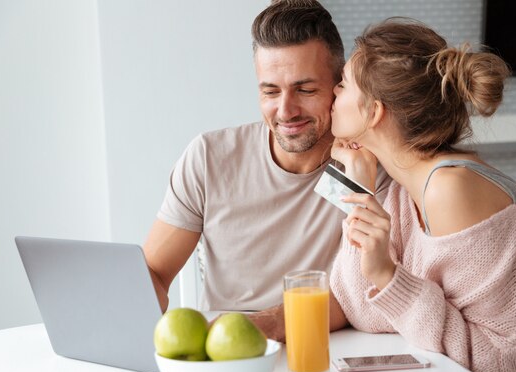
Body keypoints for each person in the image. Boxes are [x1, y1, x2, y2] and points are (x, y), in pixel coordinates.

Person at [326, 18, 516, 372]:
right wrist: (358, 188)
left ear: (374, 112)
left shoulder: (451, 189)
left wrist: (388, 277)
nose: (332, 93)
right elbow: (361, 311)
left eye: (343, 83)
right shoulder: (401, 188)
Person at [144, 0, 388, 337]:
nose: (286, 111)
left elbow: (362, 294)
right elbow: (154, 273)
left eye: (305, 89)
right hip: (228, 351)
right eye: (271, 91)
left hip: (328, 350)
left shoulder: (367, 166)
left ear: (339, 85)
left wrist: (268, 323)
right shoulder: (210, 158)